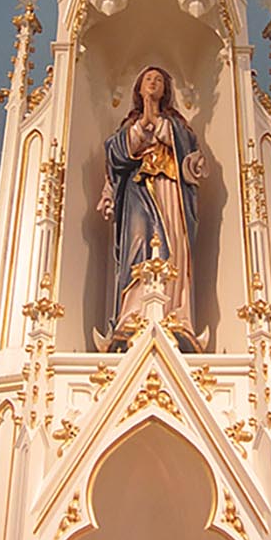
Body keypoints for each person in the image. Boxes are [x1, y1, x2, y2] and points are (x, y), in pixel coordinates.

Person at [96, 65, 208, 351]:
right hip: (138, 192)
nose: (153, 83)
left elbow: (189, 149)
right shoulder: (129, 123)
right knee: (138, 243)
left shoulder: (176, 123)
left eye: (158, 80)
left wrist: (159, 124)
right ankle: (132, 315)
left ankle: (174, 315)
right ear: (139, 87)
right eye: (148, 79)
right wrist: (140, 127)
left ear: (166, 88)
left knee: (174, 245)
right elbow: (115, 155)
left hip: (170, 191)